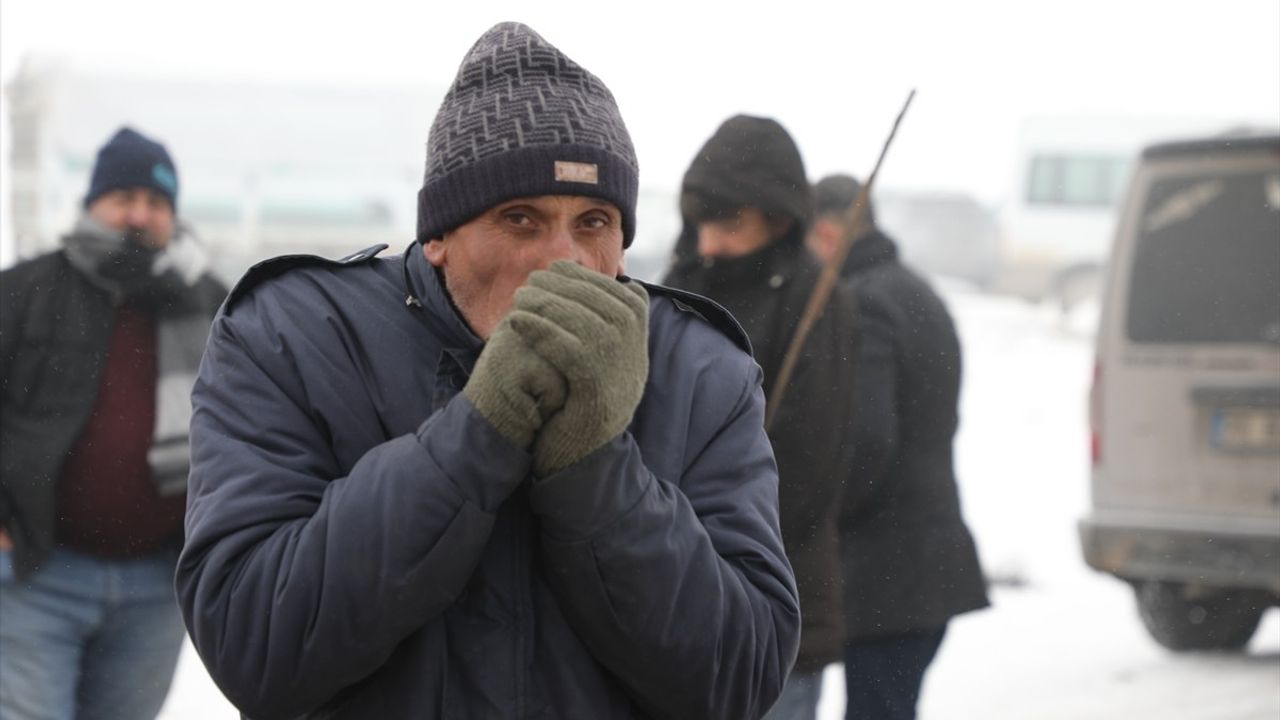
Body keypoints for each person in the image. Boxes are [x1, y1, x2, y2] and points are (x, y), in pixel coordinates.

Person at [175, 22, 800, 719]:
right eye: (521, 218)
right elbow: (253, 642)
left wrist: (594, 469)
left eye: (593, 221)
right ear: (439, 236)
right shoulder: (294, 333)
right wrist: (479, 432)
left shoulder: (701, 368)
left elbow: (739, 676)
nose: (562, 259)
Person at [0, 126, 227, 719]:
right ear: (92, 203)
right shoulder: (26, 291)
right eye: (123, 197)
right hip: (37, 574)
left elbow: (247, 426)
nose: (139, 214)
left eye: (155, 202)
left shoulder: (213, 304)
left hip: (157, 585)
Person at [663, 115, 860, 720]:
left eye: (728, 223)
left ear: (777, 215)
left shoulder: (816, 301)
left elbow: (809, 471)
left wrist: (709, 539)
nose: (708, 242)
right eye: (700, 222)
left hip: (771, 610)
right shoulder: (681, 285)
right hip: (667, 599)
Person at [807, 174, 989, 720]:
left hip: (889, 577)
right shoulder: (914, 289)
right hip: (925, 565)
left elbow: (866, 442)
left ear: (828, 234)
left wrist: (813, 516)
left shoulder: (863, 301)